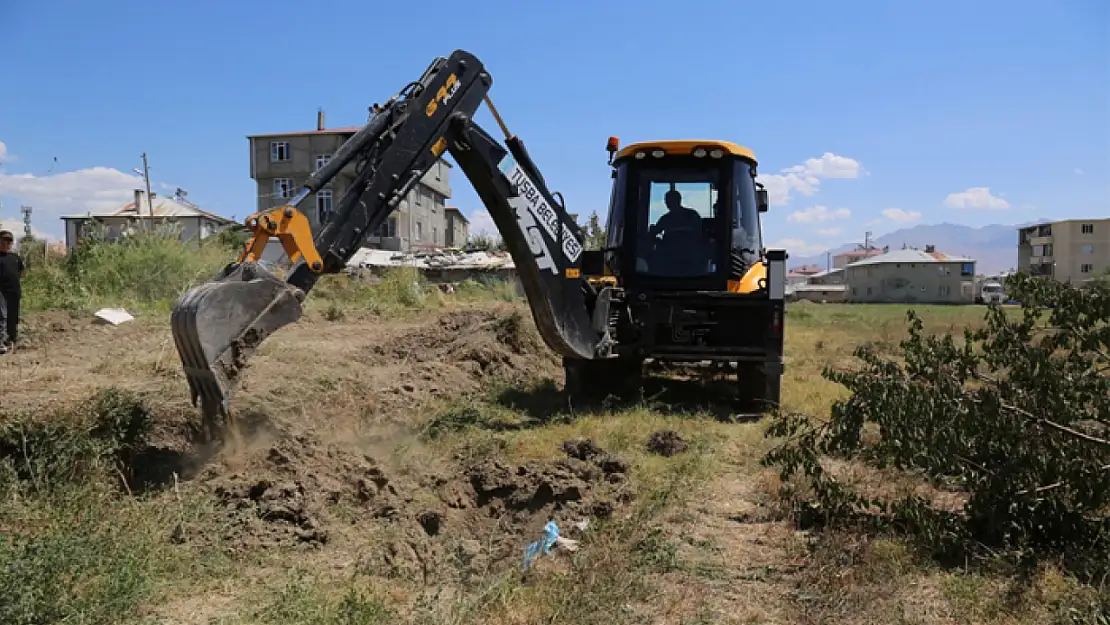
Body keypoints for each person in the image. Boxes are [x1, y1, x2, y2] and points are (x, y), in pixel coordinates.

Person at [0, 230, 24, 354]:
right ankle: (1, 341)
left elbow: (20, 273)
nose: (6, 243)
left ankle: (12, 339)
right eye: (4, 240)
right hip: (1, 292)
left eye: (9, 241)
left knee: (13, 317)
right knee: (2, 316)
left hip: (14, 291)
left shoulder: (15, 258)